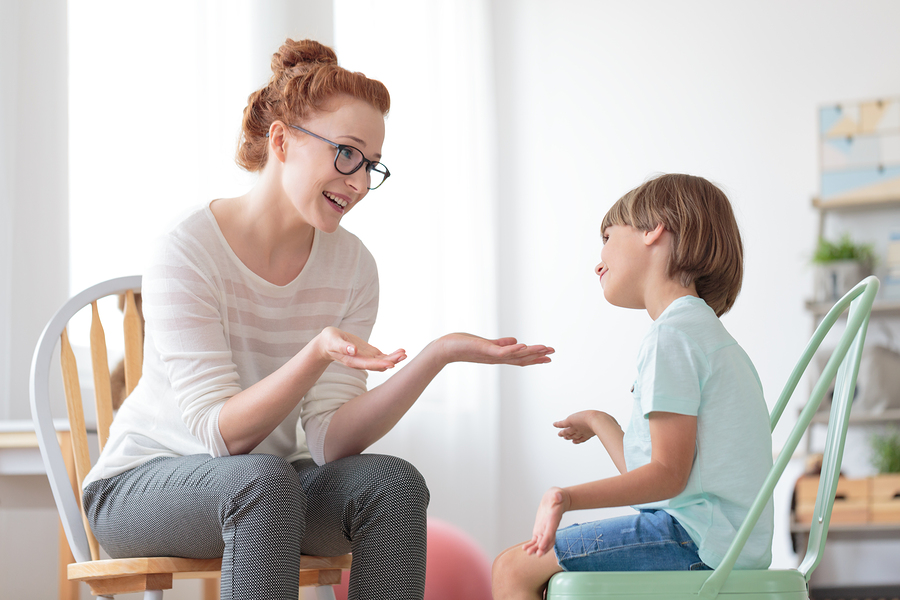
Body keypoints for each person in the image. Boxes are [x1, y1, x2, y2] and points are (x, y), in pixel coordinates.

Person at [81, 38, 554, 600]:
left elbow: (329, 441)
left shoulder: (353, 266)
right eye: (346, 153)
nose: (357, 182)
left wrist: (437, 355)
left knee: (393, 486)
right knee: (264, 482)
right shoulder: (187, 248)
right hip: (144, 487)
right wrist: (315, 354)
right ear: (281, 140)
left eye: (370, 165)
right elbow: (221, 436)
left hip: (267, 488)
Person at [491, 173, 773, 599]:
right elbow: (659, 477)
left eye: (607, 236)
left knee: (512, 569)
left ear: (653, 229)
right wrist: (599, 421)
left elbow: (666, 477)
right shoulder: (702, 333)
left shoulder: (671, 337)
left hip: (695, 540)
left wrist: (565, 496)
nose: (598, 259)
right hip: (722, 540)